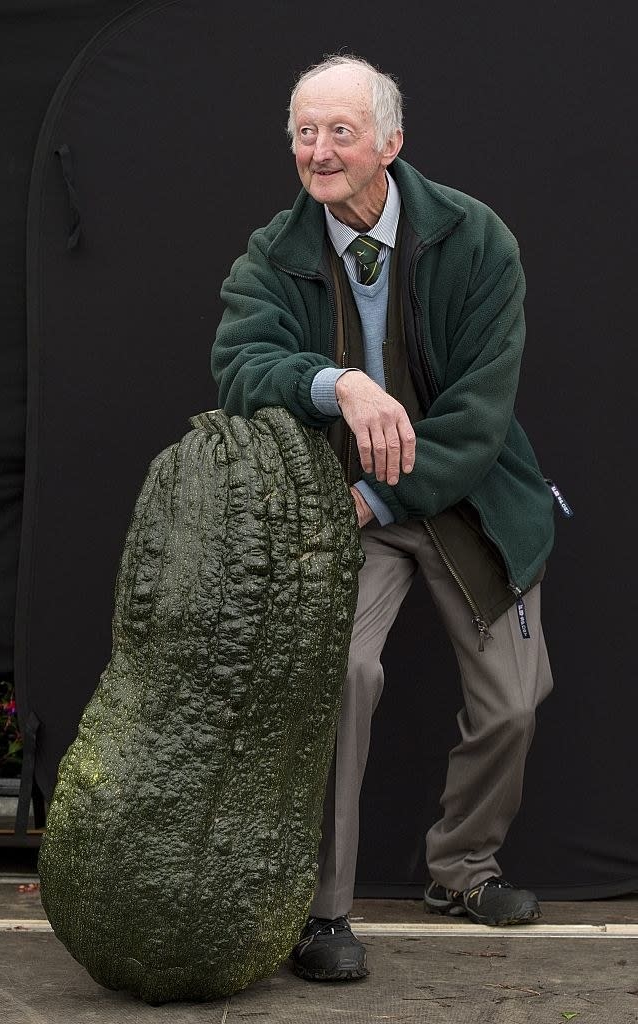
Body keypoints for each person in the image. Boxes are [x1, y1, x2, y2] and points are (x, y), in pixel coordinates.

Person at [211, 54, 556, 983]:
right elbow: (240, 369)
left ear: (390, 144)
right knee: (342, 677)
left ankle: (461, 868)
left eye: (340, 132)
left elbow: (479, 419)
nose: (318, 152)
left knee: (513, 702)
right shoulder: (271, 254)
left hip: (461, 495)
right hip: (342, 510)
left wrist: (382, 493)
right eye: (303, 133)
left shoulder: (477, 240)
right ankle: (321, 911)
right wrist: (337, 384)